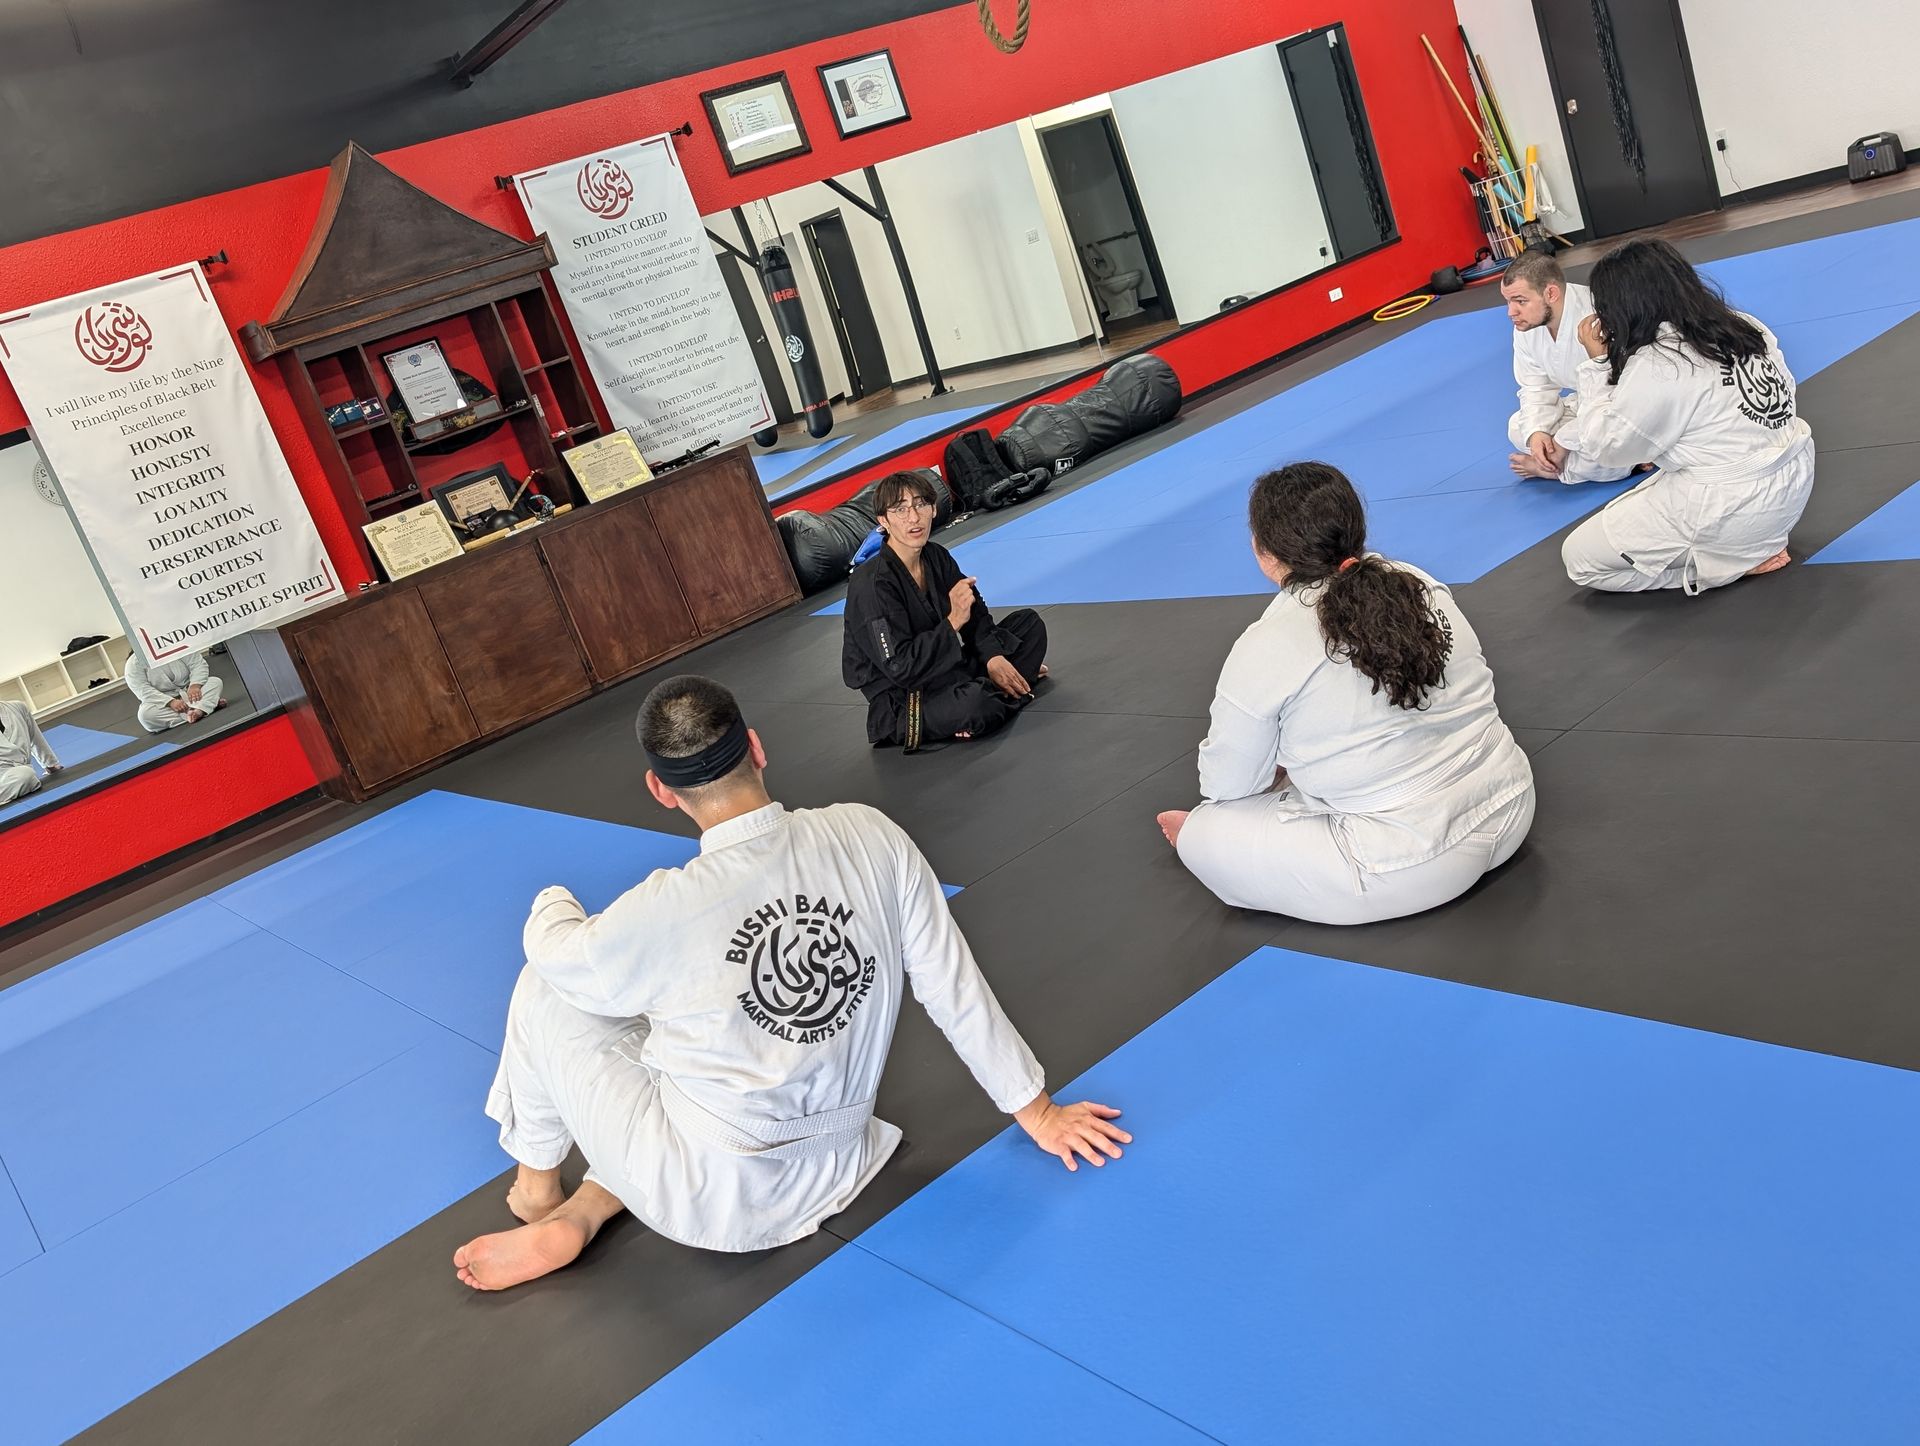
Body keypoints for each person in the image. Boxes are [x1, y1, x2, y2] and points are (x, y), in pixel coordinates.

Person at [454, 675, 1128, 1291]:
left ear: (661, 790)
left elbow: (555, 953)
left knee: (548, 989)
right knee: (661, 1019)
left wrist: (553, 899)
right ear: (756, 747)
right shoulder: (870, 834)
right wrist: (1037, 1112)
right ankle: (584, 1211)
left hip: (711, 1197)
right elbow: (953, 985)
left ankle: (536, 1190)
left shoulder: (659, 911)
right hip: (841, 1157)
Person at [1155, 463, 1534, 926]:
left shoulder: (1267, 642)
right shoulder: (1415, 582)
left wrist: (1279, 768)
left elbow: (1226, 785)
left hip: (1415, 867)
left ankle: (1214, 836)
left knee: (1205, 829)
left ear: (1263, 551)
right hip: (1512, 802)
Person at [1558, 238, 1814, 593]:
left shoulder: (1660, 363)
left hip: (1730, 509)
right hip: (1791, 489)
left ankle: (1722, 566)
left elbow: (1608, 449)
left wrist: (1597, 364)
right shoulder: (1743, 325)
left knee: (1580, 559)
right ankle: (1741, 550)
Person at [842, 470, 1049, 749]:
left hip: (949, 668)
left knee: (1030, 625)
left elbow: (975, 612)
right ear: (884, 521)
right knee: (976, 703)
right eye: (900, 509)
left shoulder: (935, 556)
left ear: (933, 509)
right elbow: (900, 668)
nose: (913, 518)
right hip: (906, 699)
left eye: (920, 505)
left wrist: (993, 657)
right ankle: (1003, 692)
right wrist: (951, 623)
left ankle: (996, 687)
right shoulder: (872, 585)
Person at [1502, 248, 1598, 481]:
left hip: (1615, 407)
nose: (1511, 312)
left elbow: (1618, 396)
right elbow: (1535, 387)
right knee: (1518, 427)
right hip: (1586, 407)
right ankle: (1611, 463)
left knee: (1604, 440)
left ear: (1551, 293)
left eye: (1520, 301)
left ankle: (1553, 471)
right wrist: (1538, 432)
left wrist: (1565, 441)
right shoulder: (1526, 327)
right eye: (1508, 301)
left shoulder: (1595, 315)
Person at [125, 649, 226, 732]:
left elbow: (198, 665)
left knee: (214, 682)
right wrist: (170, 702)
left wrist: (195, 686)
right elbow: (141, 689)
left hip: (190, 692)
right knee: (146, 716)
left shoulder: (177, 644)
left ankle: (200, 710)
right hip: (164, 701)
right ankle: (204, 707)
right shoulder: (133, 664)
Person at [0, 699, 62, 805]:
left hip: (16, 774)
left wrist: (50, 764)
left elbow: (35, 737)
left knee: (26, 775)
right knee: (27, 775)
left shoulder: (17, 707)